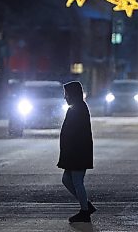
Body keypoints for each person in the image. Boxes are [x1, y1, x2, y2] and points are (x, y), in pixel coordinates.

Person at [57, 81, 96, 223]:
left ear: (72, 94)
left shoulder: (78, 109)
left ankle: (85, 211)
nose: (65, 97)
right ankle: (86, 205)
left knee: (77, 181)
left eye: (66, 94)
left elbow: (76, 134)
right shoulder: (76, 108)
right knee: (67, 180)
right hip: (73, 154)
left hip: (78, 153)